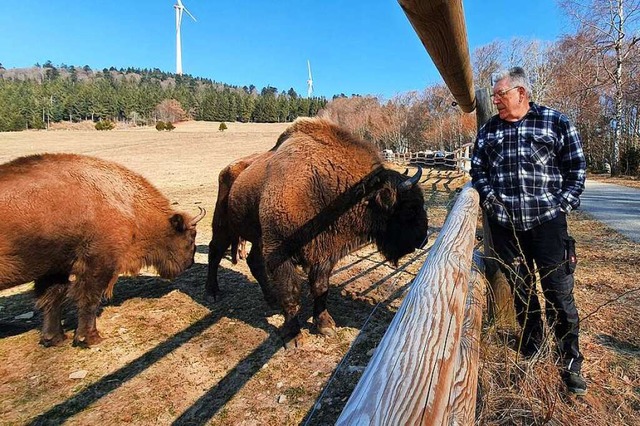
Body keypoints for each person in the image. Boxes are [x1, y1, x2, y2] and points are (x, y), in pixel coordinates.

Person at [470, 67, 588, 395]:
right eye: (493, 95)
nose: (495, 100)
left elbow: (576, 168)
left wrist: (562, 202)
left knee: (559, 293)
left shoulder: (556, 122)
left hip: (548, 225)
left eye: (500, 94)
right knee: (521, 292)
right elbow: (477, 169)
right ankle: (533, 348)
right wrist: (490, 200)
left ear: (521, 93)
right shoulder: (490, 130)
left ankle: (570, 361)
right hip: (506, 228)